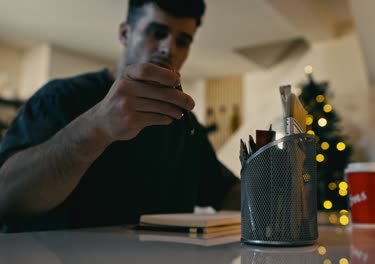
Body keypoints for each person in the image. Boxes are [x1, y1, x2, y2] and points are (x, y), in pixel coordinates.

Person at [0, 0, 240, 232]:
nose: (169, 48)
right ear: (125, 33)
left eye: (183, 41)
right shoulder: (60, 98)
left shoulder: (186, 124)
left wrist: (270, 177)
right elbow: (6, 197)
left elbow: (226, 192)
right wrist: (97, 126)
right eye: (157, 32)